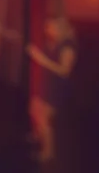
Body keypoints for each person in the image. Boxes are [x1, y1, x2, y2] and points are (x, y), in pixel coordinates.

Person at [27, 16, 77, 162]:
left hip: (58, 87)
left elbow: (64, 71)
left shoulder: (68, 46)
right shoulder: (56, 41)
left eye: (50, 27)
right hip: (47, 83)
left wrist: (41, 59)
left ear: (59, 28)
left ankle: (48, 152)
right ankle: (38, 134)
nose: (47, 30)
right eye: (46, 27)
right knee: (33, 108)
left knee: (43, 119)